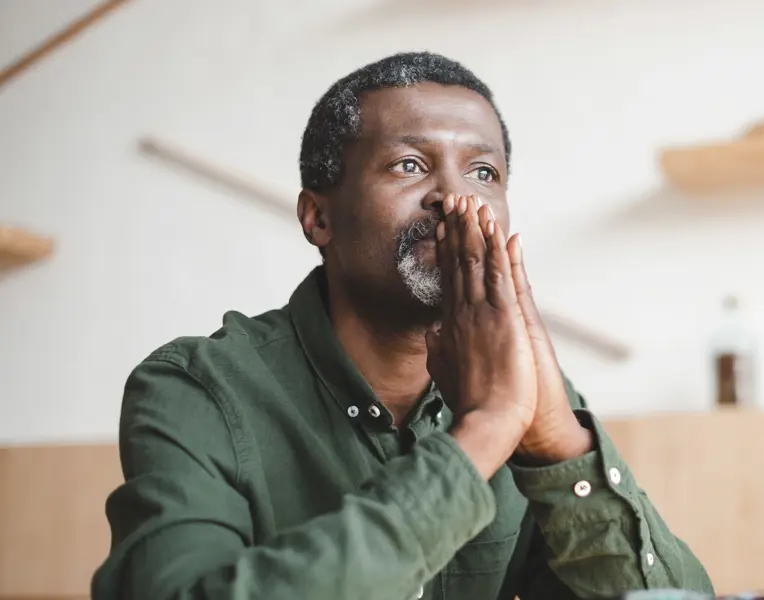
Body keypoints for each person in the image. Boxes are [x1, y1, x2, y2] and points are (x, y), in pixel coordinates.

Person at [91, 52, 713, 600]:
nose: (454, 199)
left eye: (483, 173)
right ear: (318, 217)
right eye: (410, 165)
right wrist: (486, 431)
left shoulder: (524, 390)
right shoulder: (195, 388)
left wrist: (557, 443)